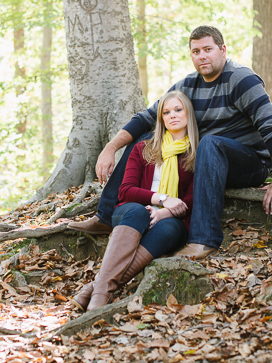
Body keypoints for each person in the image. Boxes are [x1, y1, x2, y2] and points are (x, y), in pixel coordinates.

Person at [68, 25, 272, 261]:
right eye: (196, 51)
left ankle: (204, 240)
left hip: (248, 163)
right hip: (208, 162)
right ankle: (105, 216)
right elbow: (145, 118)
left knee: (210, 143)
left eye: (208, 49)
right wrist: (110, 148)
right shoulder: (188, 86)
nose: (202, 56)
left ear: (223, 50)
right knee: (147, 138)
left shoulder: (241, 79)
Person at [72, 91, 199, 311]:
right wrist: (162, 199)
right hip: (132, 210)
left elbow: (191, 199)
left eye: (178, 110)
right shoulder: (144, 148)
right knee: (138, 212)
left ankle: (94, 290)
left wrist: (163, 212)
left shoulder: (198, 153)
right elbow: (126, 191)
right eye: (166, 112)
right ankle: (101, 297)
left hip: (171, 218)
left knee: (170, 229)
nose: (173, 116)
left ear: (189, 114)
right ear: (161, 119)